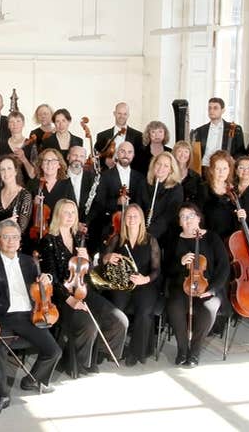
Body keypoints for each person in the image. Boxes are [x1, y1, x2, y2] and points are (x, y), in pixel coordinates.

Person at [0, 219, 62, 416]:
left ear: (20, 240)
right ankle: (2, 396)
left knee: (54, 351)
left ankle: (31, 380)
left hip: (29, 316)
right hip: (4, 318)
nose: (11, 241)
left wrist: (46, 278)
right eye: (6, 237)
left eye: (15, 237)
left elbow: (41, 287)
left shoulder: (29, 262)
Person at [38, 199, 128, 375]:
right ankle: (80, 364)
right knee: (88, 325)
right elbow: (52, 279)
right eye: (66, 212)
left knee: (120, 321)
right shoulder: (48, 240)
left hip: (82, 289)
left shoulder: (79, 238)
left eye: (73, 212)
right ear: (58, 215)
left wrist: (87, 259)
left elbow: (88, 273)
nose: (70, 216)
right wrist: (70, 300)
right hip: (62, 296)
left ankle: (98, 353)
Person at [166, 204, 230, 366]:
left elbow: (224, 267)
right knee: (174, 307)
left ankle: (194, 351)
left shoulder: (212, 238)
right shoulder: (174, 239)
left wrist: (213, 289)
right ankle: (182, 350)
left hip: (207, 287)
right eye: (183, 216)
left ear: (199, 218)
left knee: (208, 309)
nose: (187, 220)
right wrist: (179, 262)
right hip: (181, 286)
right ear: (179, 222)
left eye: (191, 215)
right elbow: (166, 268)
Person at [100, 204, 161, 366]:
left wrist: (145, 279)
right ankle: (111, 347)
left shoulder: (150, 240)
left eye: (135, 216)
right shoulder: (117, 239)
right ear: (124, 220)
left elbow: (156, 270)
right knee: (116, 310)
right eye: (128, 216)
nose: (132, 219)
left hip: (144, 284)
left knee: (144, 311)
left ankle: (137, 352)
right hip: (122, 284)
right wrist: (107, 257)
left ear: (141, 219)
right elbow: (103, 259)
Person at [92, 141, 148, 255]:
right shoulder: (105, 176)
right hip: (111, 227)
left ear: (133, 155)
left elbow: (142, 203)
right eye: (122, 151)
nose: (126, 155)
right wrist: (116, 201)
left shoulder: (140, 178)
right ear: (117, 154)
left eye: (129, 152)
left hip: (134, 227)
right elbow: (99, 202)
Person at [0, 155, 33, 257]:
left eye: (9, 168)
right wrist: (6, 222)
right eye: (2, 169)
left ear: (16, 171)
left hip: (16, 250)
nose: (6, 173)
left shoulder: (25, 195)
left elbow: (20, 228)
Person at [144, 151, 184, 253]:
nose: (161, 168)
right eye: (159, 164)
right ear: (154, 165)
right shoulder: (143, 183)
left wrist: (149, 234)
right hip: (143, 232)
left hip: (165, 235)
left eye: (166, 166)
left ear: (171, 170)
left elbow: (168, 216)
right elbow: (139, 208)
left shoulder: (176, 188)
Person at [191, 97, 245, 166]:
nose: (211, 110)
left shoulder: (235, 128)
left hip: (224, 168)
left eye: (215, 108)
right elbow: (195, 153)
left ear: (222, 110)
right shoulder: (199, 131)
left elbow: (241, 152)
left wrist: (233, 159)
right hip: (204, 167)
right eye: (209, 108)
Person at [94, 102, 144, 170]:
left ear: (128, 115)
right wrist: (105, 161)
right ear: (114, 114)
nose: (122, 116)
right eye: (119, 113)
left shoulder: (138, 136)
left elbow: (140, 158)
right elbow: (96, 155)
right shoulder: (102, 136)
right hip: (107, 174)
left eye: (125, 114)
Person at [199, 150, 236, 240]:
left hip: (229, 237)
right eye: (218, 169)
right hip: (209, 236)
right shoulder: (203, 188)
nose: (221, 172)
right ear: (211, 170)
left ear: (229, 170)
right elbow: (198, 214)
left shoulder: (234, 190)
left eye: (225, 169)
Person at [29, 149, 76, 217]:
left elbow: (73, 207)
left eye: (53, 161)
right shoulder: (33, 183)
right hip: (39, 226)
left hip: (60, 225)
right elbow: (24, 209)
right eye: (46, 160)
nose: (49, 164)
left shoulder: (66, 184)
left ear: (59, 165)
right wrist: (34, 203)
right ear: (41, 165)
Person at [0, 111, 36, 179]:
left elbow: (33, 175)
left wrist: (24, 159)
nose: (15, 124)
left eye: (18, 121)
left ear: (23, 124)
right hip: (5, 185)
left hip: (25, 186)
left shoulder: (31, 145)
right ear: (8, 125)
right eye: (11, 121)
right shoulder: (0, 145)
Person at [66, 146, 96, 224]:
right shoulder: (59, 177)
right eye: (74, 155)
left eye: (81, 156)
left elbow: (97, 205)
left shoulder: (93, 178)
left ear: (85, 160)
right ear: (68, 156)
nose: (77, 159)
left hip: (86, 226)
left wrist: (85, 224)